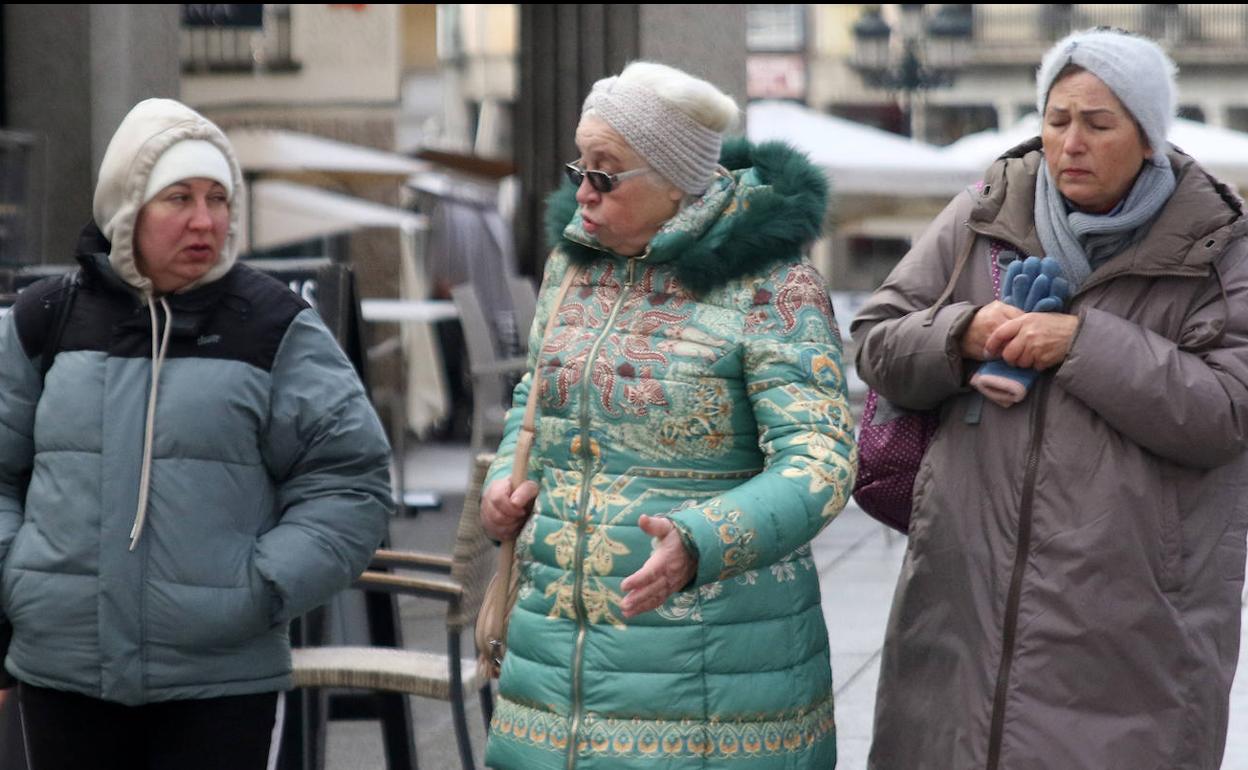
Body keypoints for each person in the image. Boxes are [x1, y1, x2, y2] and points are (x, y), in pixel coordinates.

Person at [853, 28, 1248, 769]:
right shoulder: (981, 215)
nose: (1071, 142)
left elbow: (1227, 410)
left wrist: (1082, 343)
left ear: (1148, 136)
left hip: (1132, 617)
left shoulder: (1217, 246)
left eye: (1099, 124)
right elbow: (876, 340)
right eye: (1058, 119)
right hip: (961, 597)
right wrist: (962, 331)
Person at [479, 61, 856, 769]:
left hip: (709, 677)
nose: (582, 193)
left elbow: (823, 461)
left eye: (606, 173)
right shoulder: (573, 270)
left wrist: (700, 540)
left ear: (678, 181)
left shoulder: (772, 284)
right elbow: (536, 397)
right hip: (550, 670)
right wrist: (506, 484)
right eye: (579, 168)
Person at [0, 98, 393, 769]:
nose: (205, 220)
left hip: (220, 678)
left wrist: (262, 587)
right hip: (62, 669)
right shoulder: (44, 320)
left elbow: (350, 481)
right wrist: (17, 576)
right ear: (127, 206)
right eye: (178, 197)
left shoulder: (276, 327)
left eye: (219, 198)